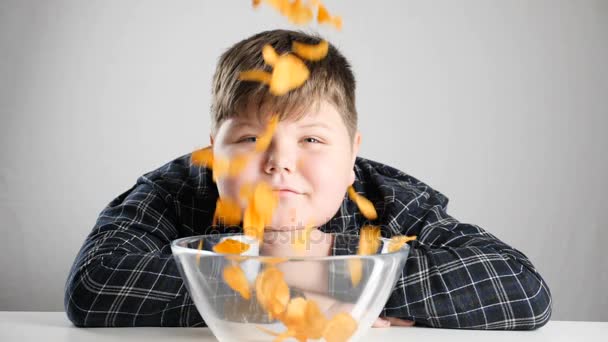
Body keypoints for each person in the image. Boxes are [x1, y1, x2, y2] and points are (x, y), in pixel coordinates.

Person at [64, 29, 552, 329]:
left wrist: (325, 265)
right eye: (250, 140)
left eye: (312, 141)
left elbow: (522, 288)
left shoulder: (390, 199)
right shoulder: (173, 191)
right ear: (214, 152)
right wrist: (311, 288)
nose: (279, 163)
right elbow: (94, 284)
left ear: (352, 154)